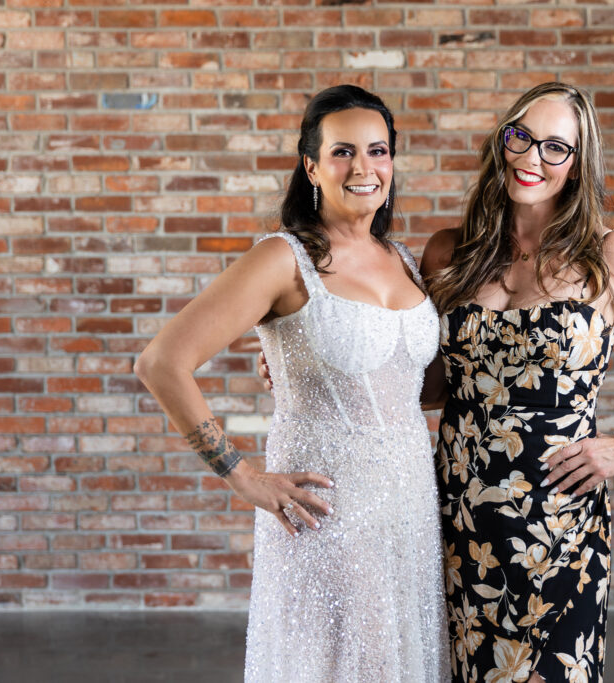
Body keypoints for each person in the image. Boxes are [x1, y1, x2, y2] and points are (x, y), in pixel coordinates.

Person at [419, 82, 614, 683]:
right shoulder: (449, 254)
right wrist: (318, 369)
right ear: (501, 142)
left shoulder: (611, 257)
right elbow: (434, 388)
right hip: (462, 514)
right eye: (520, 137)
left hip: (558, 518)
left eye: (555, 148)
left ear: (578, 164)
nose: (531, 158)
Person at [135, 85, 448, 683]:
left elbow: (410, 388)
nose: (364, 168)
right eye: (343, 152)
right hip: (329, 507)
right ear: (311, 166)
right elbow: (162, 362)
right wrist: (242, 476)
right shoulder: (284, 259)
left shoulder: (406, 261)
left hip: (409, 505)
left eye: (379, 151)